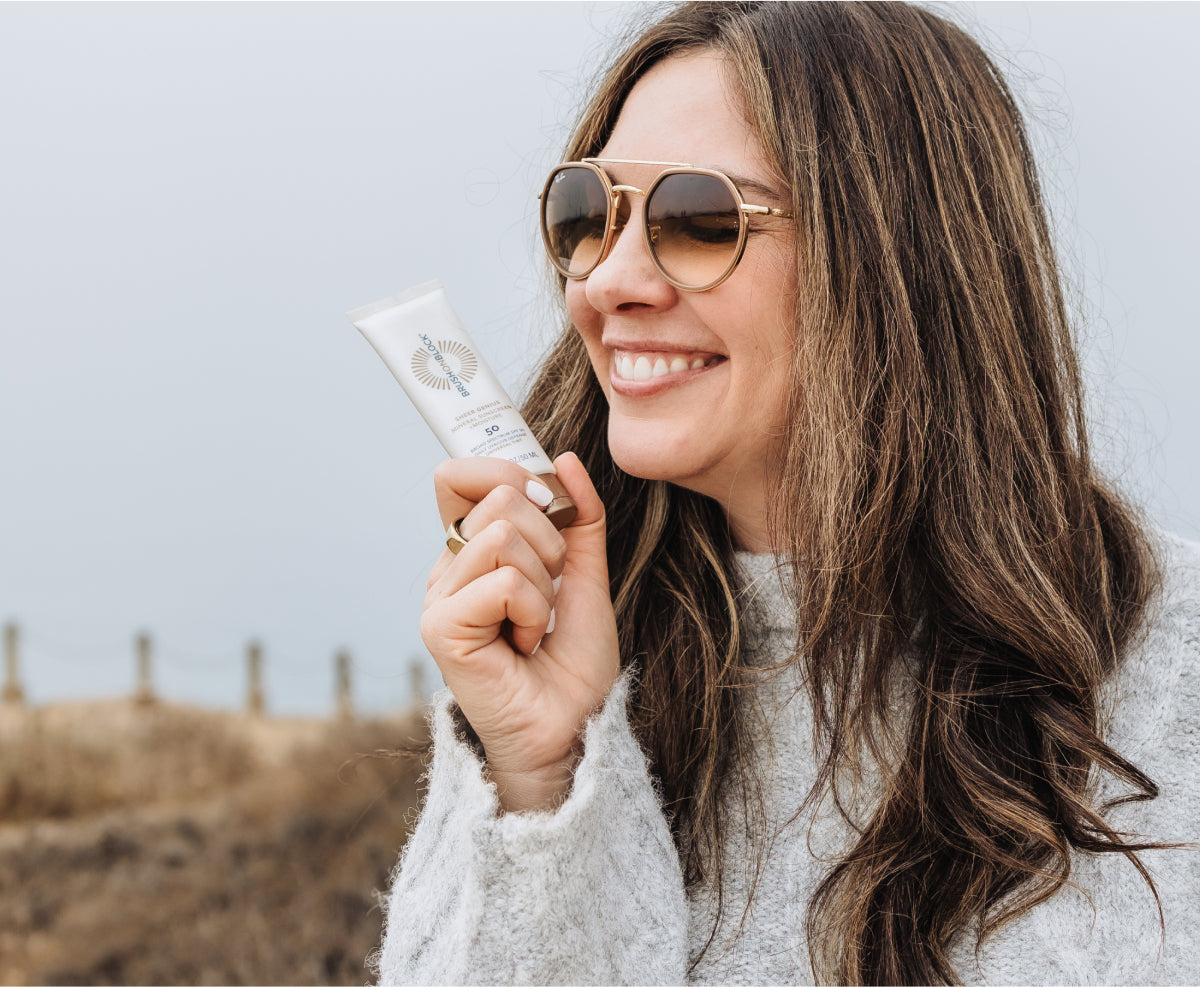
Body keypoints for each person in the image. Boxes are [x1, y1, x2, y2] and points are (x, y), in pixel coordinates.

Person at [374, 3, 1200, 984]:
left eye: (698, 218)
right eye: (588, 213)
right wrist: (545, 772)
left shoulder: (1166, 669)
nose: (607, 280)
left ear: (901, 256)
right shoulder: (565, 640)